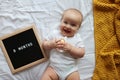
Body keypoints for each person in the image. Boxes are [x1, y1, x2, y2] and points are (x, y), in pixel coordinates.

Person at [41, 8, 85, 80]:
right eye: (65, 22)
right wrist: (51, 44)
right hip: (54, 68)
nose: (68, 26)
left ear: (78, 28)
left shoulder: (77, 38)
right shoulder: (55, 33)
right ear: (61, 21)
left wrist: (71, 48)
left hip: (71, 70)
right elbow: (44, 45)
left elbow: (82, 53)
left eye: (73, 25)